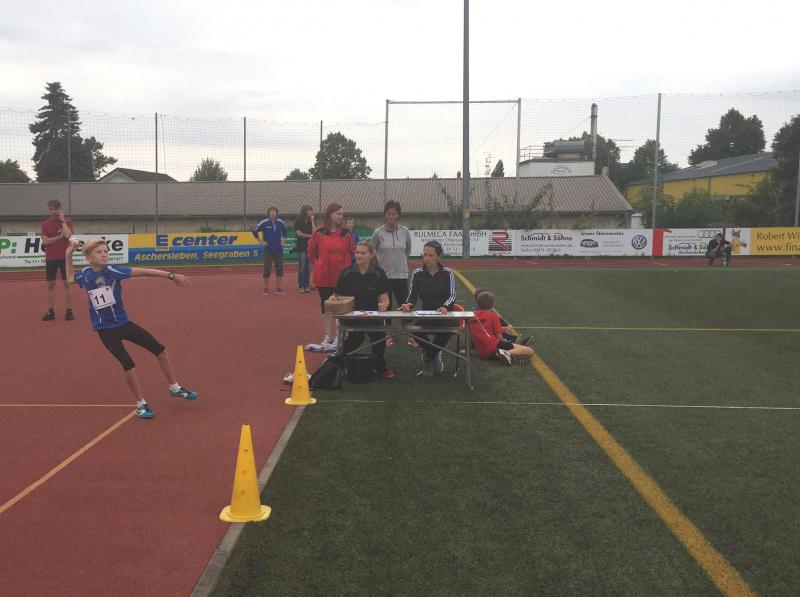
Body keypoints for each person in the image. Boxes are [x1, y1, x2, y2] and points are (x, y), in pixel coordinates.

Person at [66, 238, 198, 419]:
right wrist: (68, 253)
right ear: (88, 258)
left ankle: (174, 388)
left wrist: (171, 276)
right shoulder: (86, 274)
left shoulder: (113, 271)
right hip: (105, 330)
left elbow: (144, 271)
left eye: (106, 251)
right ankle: (141, 404)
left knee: (160, 351)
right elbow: (70, 279)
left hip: (124, 324)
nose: (104, 254)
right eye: (99, 252)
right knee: (129, 365)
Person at [333, 240, 394, 378]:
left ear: (371, 255)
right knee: (355, 338)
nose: (359, 255)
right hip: (352, 316)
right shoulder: (346, 273)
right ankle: (341, 363)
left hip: (373, 315)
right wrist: (337, 301)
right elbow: (336, 296)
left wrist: (383, 306)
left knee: (379, 339)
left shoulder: (379, 273)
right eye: (357, 252)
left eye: (363, 253)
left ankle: (380, 367)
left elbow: (385, 298)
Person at [400, 240, 458, 376]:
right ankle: (434, 353)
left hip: (444, 314)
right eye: (425, 255)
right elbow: (412, 296)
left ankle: (428, 356)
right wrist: (408, 304)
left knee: (450, 327)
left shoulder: (448, 273)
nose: (426, 258)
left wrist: (445, 307)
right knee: (411, 327)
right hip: (425, 313)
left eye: (431, 255)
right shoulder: (417, 273)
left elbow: (452, 295)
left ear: (439, 256)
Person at [308, 203, 355, 348]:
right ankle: (328, 335)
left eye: (342, 214)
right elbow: (311, 251)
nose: (341, 216)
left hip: (341, 277)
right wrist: (319, 265)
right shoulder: (319, 232)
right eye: (338, 214)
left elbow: (352, 251)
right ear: (329, 214)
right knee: (326, 305)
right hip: (323, 276)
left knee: (340, 306)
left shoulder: (346, 234)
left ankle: (339, 334)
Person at [371, 200, 415, 347]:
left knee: (406, 306)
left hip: (401, 275)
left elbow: (407, 251)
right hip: (384, 277)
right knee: (386, 307)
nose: (391, 216)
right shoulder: (378, 232)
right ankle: (387, 335)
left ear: (398, 215)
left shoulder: (404, 231)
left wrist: (400, 264)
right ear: (385, 215)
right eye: (388, 213)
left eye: (394, 214)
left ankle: (410, 335)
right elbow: (372, 250)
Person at [470, 291, 534, 365]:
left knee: (512, 347)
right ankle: (506, 353)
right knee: (529, 351)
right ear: (493, 304)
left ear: (477, 303)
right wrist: (506, 343)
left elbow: (481, 329)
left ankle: (505, 354)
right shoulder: (492, 316)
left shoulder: (471, 315)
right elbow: (499, 336)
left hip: (482, 353)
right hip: (493, 346)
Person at [40, 199, 75, 321]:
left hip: (65, 257)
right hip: (51, 258)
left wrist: (63, 220)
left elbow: (68, 235)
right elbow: (46, 242)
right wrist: (60, 237)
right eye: (50, 209)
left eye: (54, 209)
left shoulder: (67, 222)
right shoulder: (45, 224)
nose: (52, 211)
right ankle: (50, 311)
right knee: (51, 284)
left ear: (59, 209)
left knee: (67, 283)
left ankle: (69, 311)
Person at [252, 207, 288, 294]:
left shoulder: (280, 222)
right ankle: (266, 288)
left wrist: (283, 240)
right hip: (268, 249)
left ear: (277, 213)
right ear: (268, 213)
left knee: (279, 269)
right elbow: (254, 230)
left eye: (274, 211)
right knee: (267, 269)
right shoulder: (264, 222)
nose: (272, 213)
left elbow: (285, 231)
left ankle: (278, 288)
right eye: (271, 212)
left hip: (278, 249)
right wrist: (260, 241)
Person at [294, 205, 316, 293]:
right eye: (310, 210)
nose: (311, 212)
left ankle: (307, 285)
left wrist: (312, 220)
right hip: (301, 247)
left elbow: (315, 232)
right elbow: (299, 234)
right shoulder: (298, 221)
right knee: (302, 267)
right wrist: (309, 236)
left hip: (310, 248)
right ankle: (301, 286)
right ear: (305, 211)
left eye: (312, 210)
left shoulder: (311, 221)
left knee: (308, 268)